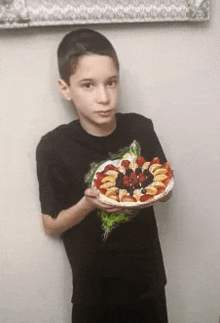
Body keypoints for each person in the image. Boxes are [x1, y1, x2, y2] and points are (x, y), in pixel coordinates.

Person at [36, 28, 172, 323]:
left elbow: (167, 190)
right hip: (93, 293)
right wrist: (87, 205)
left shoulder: (140, 128)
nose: (104, 97)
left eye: (112, 82)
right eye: (88, 85)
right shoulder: (53, 147)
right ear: (65, 88)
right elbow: (50, 225)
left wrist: (153, 190)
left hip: (147, 282)